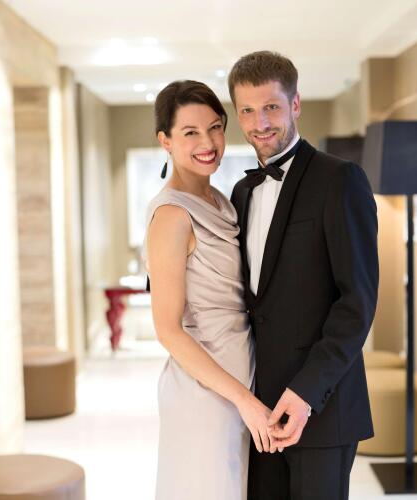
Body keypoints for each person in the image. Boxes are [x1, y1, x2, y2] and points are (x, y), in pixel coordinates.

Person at [228, 51, 379, 500]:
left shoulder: (341, 179)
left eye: (271, 107)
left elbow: (356, 304)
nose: (259, 123)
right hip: (260, 410)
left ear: (295, 104)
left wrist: (306, 392)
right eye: (247, 110)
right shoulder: (241, 192)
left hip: (323, 407)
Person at [145, 80, 274, 500]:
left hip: (239, 382)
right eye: (190, 132)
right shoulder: (171, 215)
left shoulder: (221, 199)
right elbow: (168, 330)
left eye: (215, 127)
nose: (208, 143)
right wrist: (245, 401)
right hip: (204, 395)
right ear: (165, 141)